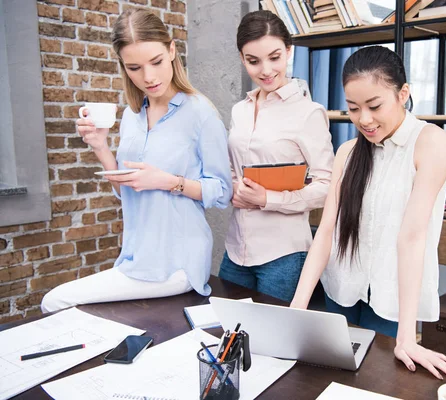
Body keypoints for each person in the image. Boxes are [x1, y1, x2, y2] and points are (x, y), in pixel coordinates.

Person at [41, 9, 232, 313]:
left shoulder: (201, 113)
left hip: (176, 262)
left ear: (171, 50)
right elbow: (125, 190)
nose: (148, 76)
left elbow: (223, 192)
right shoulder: (132, 116)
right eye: (134, 67)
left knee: (55, 300)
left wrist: (169, 182)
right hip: (135, 257)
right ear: (123, 67)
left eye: (156, 61)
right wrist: (100, 146)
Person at [290, 46, 446, 379]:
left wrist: (408, 338)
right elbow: (326, 233)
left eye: (374, 105)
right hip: (341, 291)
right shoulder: (348, 152)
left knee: (377, 386)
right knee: (324, 384)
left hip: (393, 303)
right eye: (353, 108)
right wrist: (297, 309)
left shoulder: (431, 142)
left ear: (403, 94)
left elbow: (412, 239)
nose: (364, 119)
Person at [218, 10, 334, 302]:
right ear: (242, 59)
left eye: (275, 57)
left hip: (283, 254)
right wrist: (232, 188)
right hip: (237, 249)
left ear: (289, 51)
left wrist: (268, 199)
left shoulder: (309, 113)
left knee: (272, 343)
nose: (266, 70)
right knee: (225, 329)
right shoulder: (239, 110)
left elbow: (327, 187)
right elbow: (233, 170)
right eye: (253, 61)